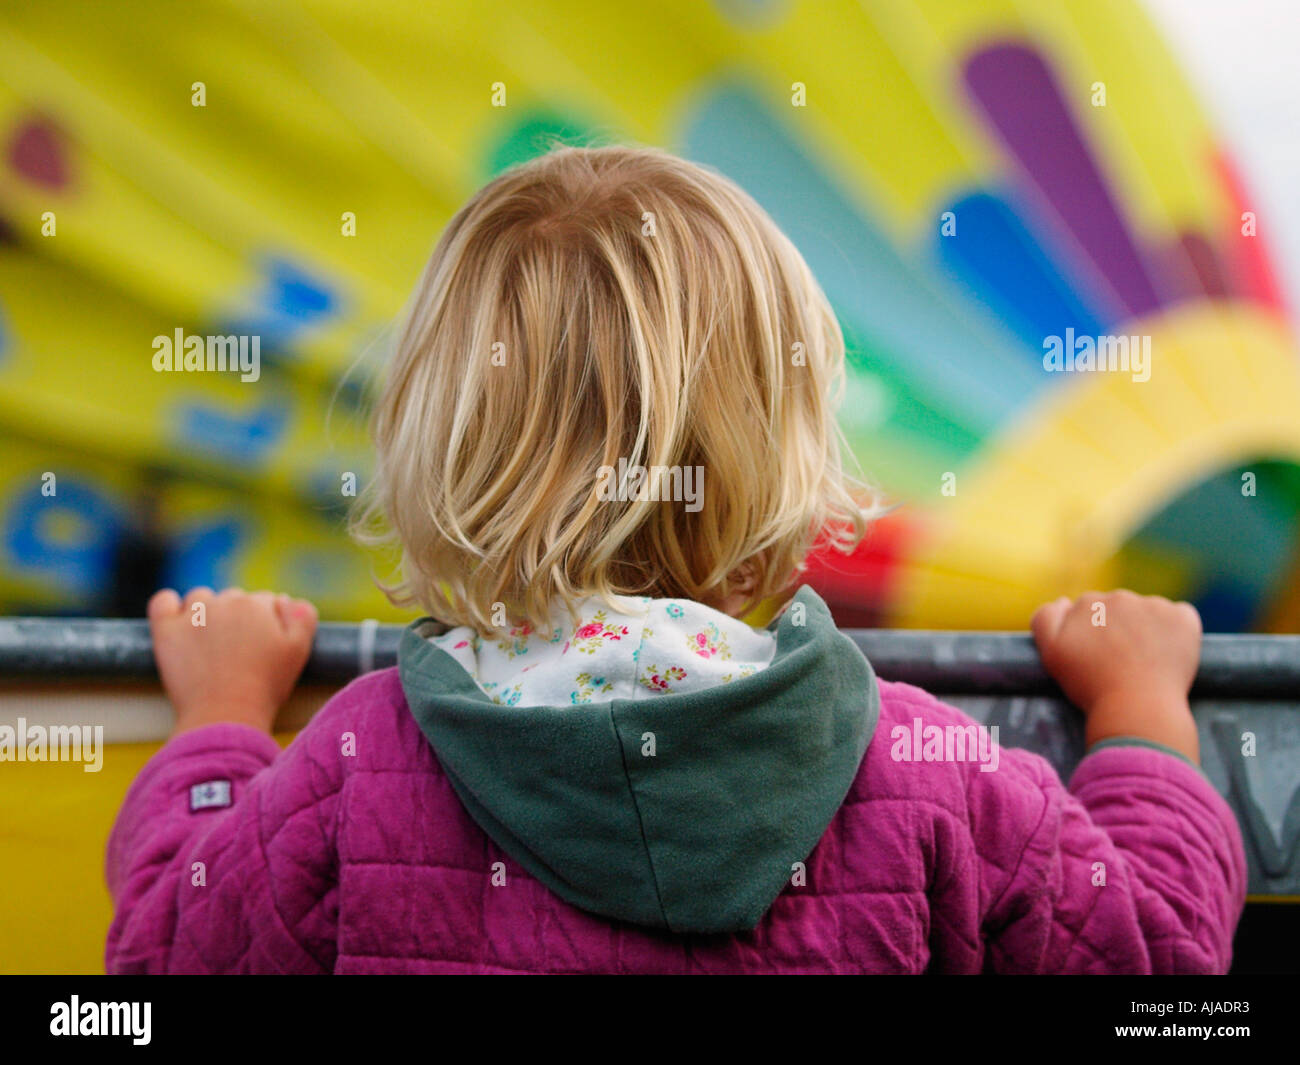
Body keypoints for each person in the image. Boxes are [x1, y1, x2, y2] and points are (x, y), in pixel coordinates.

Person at [106, 146, 1245, 973]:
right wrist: (1142, 713)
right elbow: (1160, 963)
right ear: (786, 454)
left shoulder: (357, 764)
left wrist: (218, 724)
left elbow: (157, 969)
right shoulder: (935, 768)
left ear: (445, 457)